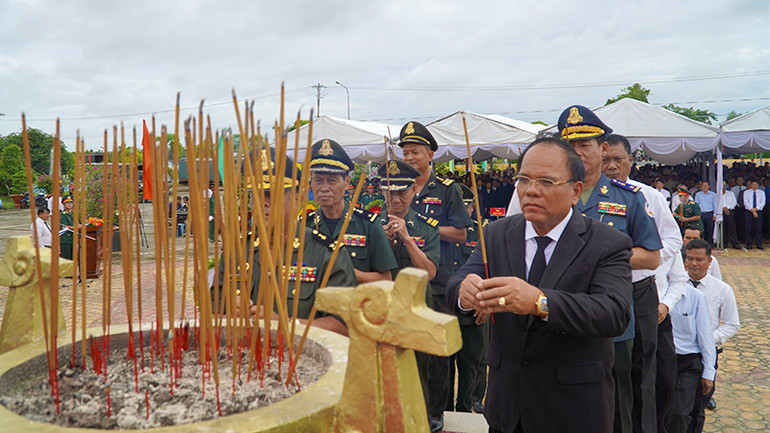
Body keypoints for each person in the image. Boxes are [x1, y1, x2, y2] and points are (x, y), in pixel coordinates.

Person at [448, 136, 633, 433]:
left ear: (575, 191)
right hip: (507, 408)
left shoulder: (607, 243)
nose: (531, 191)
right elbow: (462, 279)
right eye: (523, 179)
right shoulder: (496, 234)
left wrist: (539, 301)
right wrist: (464, 291)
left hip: (572, 409)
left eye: (546, 181)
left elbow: (613, 313)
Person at [557, 106, 662, 433]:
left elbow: (651, 257)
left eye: (585, 146)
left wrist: (601, 256)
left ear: (603, 149)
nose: (578, 154)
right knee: (563, 403)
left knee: (615, 405)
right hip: (561, 312)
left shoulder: (628, 198)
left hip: (611, 319)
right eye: (571, 147)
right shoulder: (553, 194)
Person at [211, 148, 356, 336]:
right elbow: (212, 310)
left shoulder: (326, 254)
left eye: (273, 194)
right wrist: (229, 315)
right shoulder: (237, 252)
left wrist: (287, 323)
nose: (264, 202)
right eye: (256, 194)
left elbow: (345, 325)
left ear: (298, 199)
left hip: (304, 360)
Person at [603, 134, 684, 432]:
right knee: (610, 370)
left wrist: (647, 263)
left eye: (618, 159)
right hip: (605, 294)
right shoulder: (588, 196)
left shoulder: (647, 195)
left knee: (644, 373)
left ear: (631, 162)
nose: (611, 166)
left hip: (641, 291)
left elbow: (673, 238)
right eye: (605, 160)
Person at [397, 120, 472, 433]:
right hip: (401, 279)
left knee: (436, 352)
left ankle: (436, 412)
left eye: (416, 151)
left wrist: (417, 229)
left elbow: (459, 232)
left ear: (430, 155)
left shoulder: (447, 191)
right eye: (405, 152)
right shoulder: (396, 187)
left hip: (438, 281)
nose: (410, 157)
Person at [376, 159, 441, 418]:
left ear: (414, 189)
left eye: (401, 192)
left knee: (417, 375)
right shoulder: (369, 225)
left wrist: (406, 238)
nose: (395, 200)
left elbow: (430, 272)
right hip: (380, 313)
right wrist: (382, 241)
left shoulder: (427, 227)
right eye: (389, 193)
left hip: (416, 313)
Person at [306, 139, 398, 283]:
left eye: (331, 180)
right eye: (318, 180)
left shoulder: (368, 224)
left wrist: (343, 270)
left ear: (347, 182)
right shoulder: (305, 225)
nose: (324, 188)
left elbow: (386, 279)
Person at [682, 239, 740, 433]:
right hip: (676, 353)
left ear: (710, 261)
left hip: (704, 356)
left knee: (697, 407)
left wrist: (707, 338)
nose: (694, 264)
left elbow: (732, 324)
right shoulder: (675, 285)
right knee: (675, 408)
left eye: (699, 259)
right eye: (690, 259)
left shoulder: (722, 290)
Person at [446, 183, 488, 414]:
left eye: (466, 206)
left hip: (475, 309)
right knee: (445, 365)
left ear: (472, 208)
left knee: (473, 363)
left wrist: (486, 303)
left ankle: (469, 403)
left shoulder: (483, 233)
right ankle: (445, 412)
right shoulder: (438, 230)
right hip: (446, 308)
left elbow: (493, 269)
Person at [667, 273, 716, 433]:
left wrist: (709, 372)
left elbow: (705, 335)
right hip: (659, 360)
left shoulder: (695, 297)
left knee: (680, 413)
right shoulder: (652, 294)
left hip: (687, 362)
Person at [743, 179, 765, 249]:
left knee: (758, 228)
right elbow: (745, 203)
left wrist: (756, 209)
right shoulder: (746, 192)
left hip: (758, 211)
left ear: (758, 185)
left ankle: (759, 244)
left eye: (755, 184)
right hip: (749, 211)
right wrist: (752, 210)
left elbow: (762, 202)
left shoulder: (761, 192)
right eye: (753, 184)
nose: (754, 186)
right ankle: (749, 243)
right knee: (748, 228)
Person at [693, 181, 717, 245]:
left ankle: (710, 243)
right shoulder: (698, 194)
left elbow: (715, 205)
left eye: (706, 185)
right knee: (701, 229)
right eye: (703, 186)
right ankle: (702, 243)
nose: (704, 187)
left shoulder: (713, 194)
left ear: (709, 186)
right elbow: (696, 204)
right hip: (701, 213)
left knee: (710, 229)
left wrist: (715, 214)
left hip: (710, 213)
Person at [720, 183, 741, 249]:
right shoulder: (717, 195)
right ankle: (723, 243)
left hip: (730, 211)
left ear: (725, 186)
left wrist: (727, 208)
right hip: (721, 212)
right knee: (722, 228)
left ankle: (734, 243)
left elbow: (734, 202)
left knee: (732, 228)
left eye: (723, 186)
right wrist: (723, 208)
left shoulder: (730, 193)